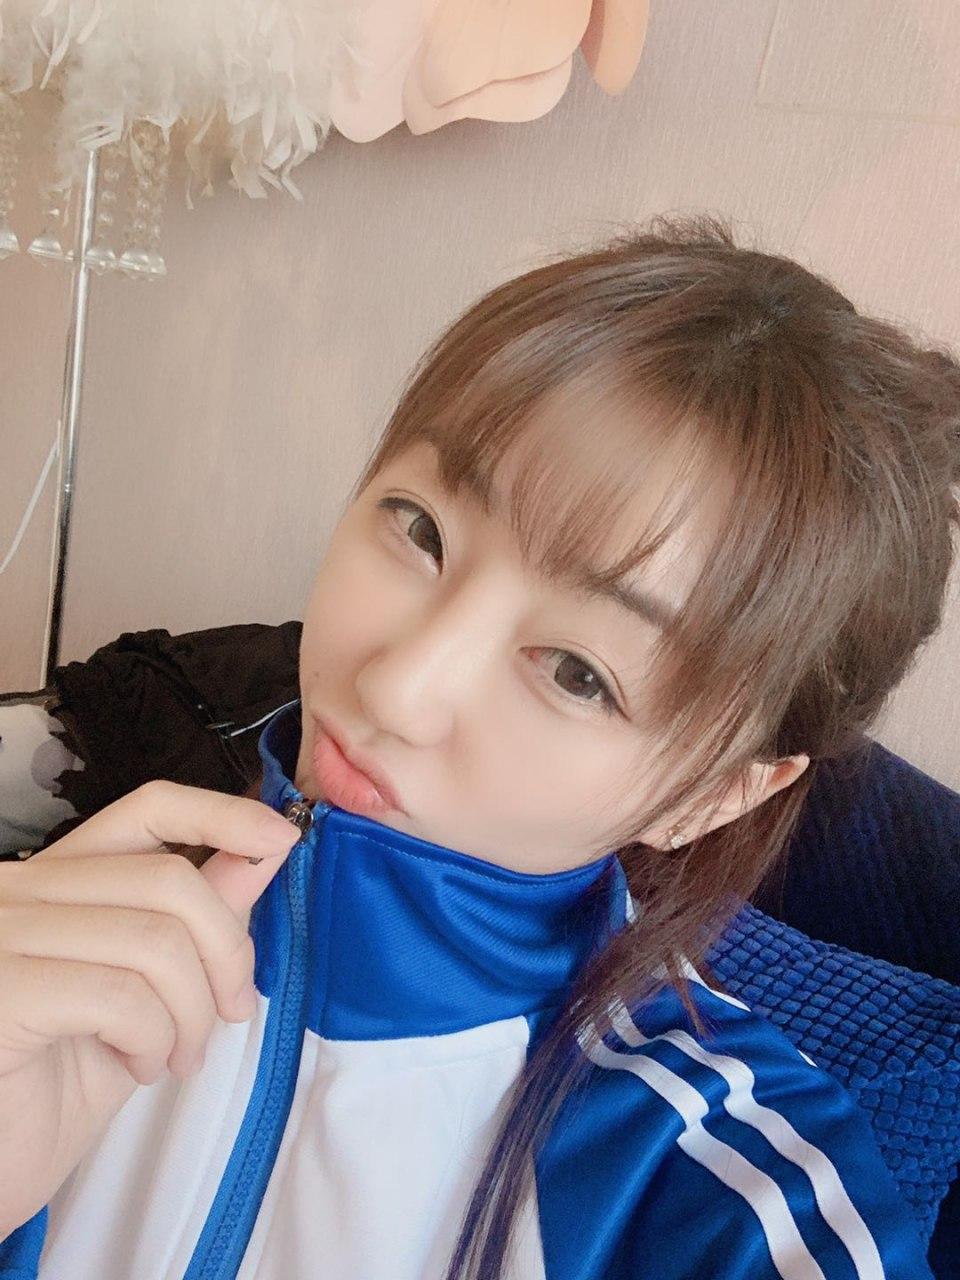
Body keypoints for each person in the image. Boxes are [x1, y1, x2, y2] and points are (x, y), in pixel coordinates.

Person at [1, 211, 957, 1279]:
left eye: (578, 672)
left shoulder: (724, 1207)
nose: (396, 686)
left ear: (716, 793)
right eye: (421, 530)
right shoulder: (51, 957)